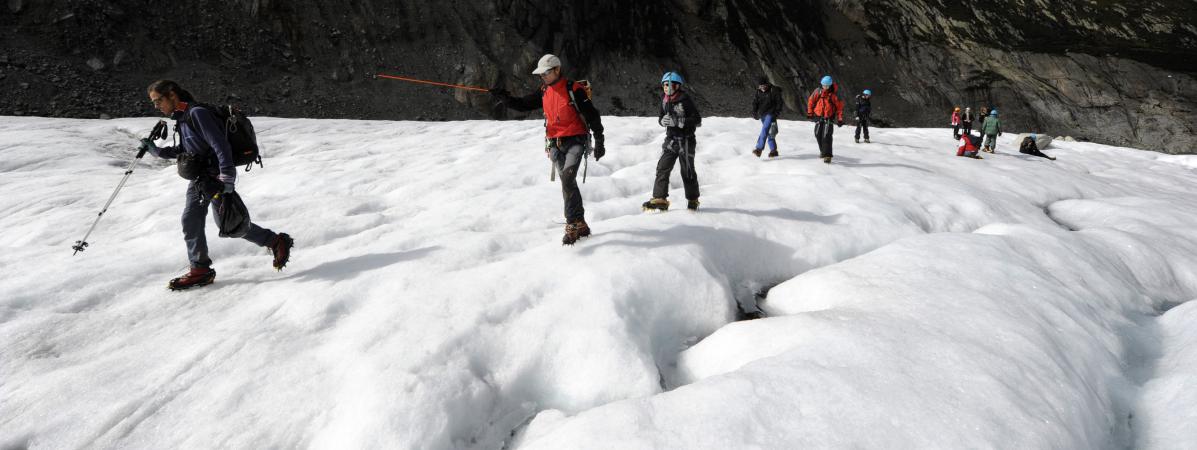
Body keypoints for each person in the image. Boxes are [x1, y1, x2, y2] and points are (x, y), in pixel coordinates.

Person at [139, 80, 293, 290]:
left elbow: (220, 145)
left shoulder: (197, 114)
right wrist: (155, 150)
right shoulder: (183, 118)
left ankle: (276, 242)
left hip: (215, 178)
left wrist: (227, 178)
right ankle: (200, 269)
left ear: (172, 95)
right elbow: (184, 150)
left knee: (229, 225)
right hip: (200, 179)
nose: (156, 106)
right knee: (190, 220)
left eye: (158, 101)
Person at [490, 54, 606, 245]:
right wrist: (505, 98)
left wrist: (600, 140)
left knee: (568, 178)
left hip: (576, 140)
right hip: (555, 143)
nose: (542, 77)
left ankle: (572, 224)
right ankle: (580, 223)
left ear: (557, 70)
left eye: (545, 73)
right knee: (567, 183)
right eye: (540, 74)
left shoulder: (574, 89)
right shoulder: (544, 90)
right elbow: (523, 104)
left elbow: (592, 115)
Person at [643, 72, 702, 212]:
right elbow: (661, 117)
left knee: (687, 171)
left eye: (669, 85)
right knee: (662, 167)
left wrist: (678, 122)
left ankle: (693, 199)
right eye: (664, 85)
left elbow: (697, 120)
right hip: (671, 140)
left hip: (686, 141)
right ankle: (660, 198)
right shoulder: (664, 100)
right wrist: (662, 122)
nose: (666, 87)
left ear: (677, 86)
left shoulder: (685, 100)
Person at [806, 75, 845, 164]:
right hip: (818, 116)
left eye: (827, 86)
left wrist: (839, 119)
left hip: (829, 117)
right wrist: (810, 113)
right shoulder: (817, 91)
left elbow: (839, 108)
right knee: (817, 134)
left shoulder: (835, 94)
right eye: (824, 85)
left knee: (826, 135)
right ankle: (822, 151)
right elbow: (811, 101)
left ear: (830, 85)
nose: (825, 87)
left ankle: (827, 155)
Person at [751, 77, 783, 157]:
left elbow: (779, 103)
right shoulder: (758, 92)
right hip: (762, 115)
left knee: (765, 129)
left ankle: (759, 149)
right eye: (760, 86)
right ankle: (773, 151)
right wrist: (754, 112)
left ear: (767, 84)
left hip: (771, 114)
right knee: (770, 132)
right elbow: (755, 103)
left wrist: (776, 113)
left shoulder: (774, 91)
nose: (762, 88)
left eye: (764, 86)